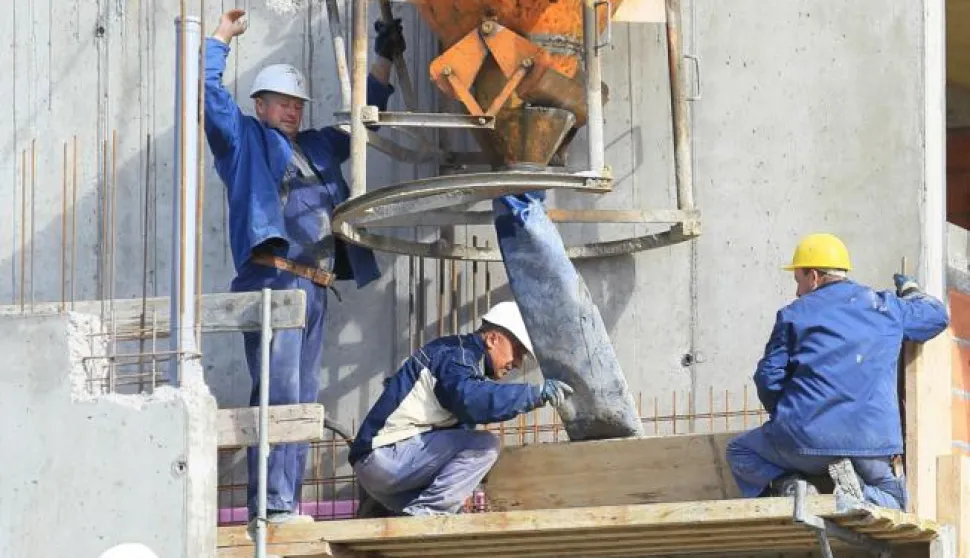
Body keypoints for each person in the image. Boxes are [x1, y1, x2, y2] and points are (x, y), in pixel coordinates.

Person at [203, 9, 406, 528]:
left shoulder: (313, 146)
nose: (292, 111)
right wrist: (221, 38)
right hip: (273, 279)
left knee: (301, 395)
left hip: (311, 288)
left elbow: (361, 120)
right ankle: (269, 507)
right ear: (261, 105)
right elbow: (207, 96)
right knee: (279, 391)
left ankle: (284, 505)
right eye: (283, 103)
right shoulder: (243, 140)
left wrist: (383, 60)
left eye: (297, 104)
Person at [726, 233, 949, 510]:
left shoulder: (794, 314)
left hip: (803, 440)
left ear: (815, 276)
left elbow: (768, 376)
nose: (797, 292)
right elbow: (937, 316)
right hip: (870, 443)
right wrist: (912, 292)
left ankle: (792, 486)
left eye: (799, 281)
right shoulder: (885, 306)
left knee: (740, 451)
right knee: (895, 501)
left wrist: (787, 415)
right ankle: (861, 494)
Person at [349, 301, 575, 516]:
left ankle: (421, 517)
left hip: (386, 471)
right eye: (517, 351)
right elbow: (471, 400)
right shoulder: (457, 357)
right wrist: (533, 394)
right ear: (493, 339)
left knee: (446, 515)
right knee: (485, 445)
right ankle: (426, 515)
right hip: (385, 458)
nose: (517, 363)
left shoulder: (464, 361)